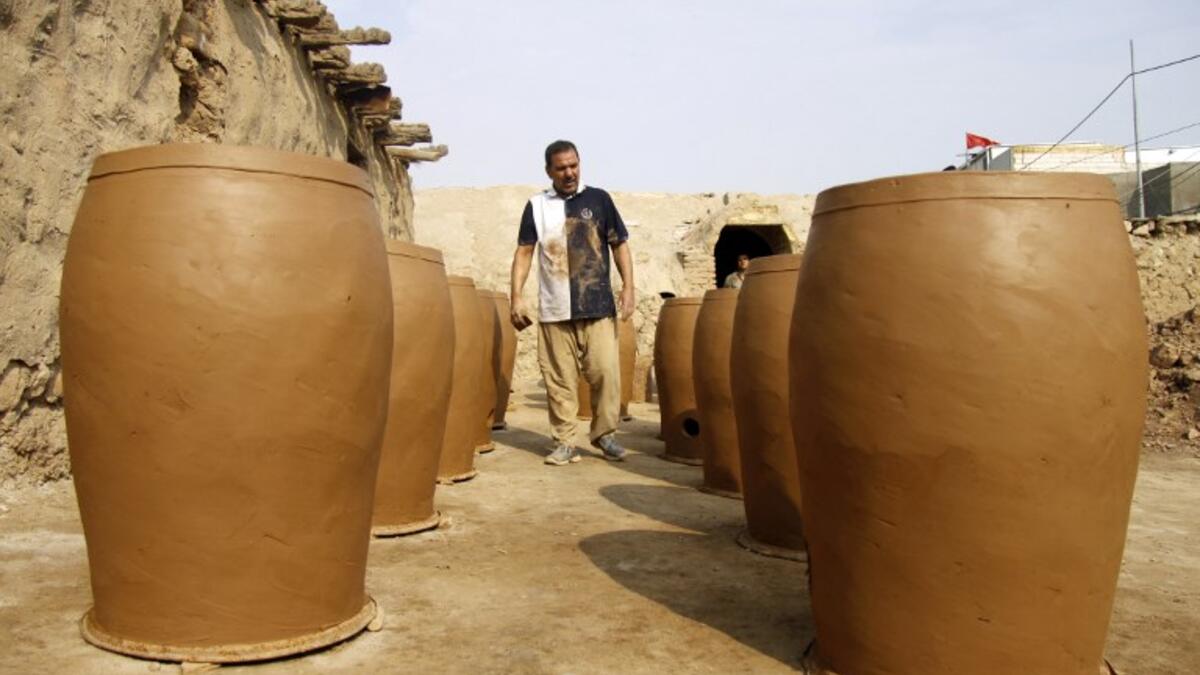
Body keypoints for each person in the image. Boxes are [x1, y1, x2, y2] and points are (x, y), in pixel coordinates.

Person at [510, 140, 636, 466]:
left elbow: (620, 245)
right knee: (558, 379)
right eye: (561, 167)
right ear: (549, 170)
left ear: (580, 163)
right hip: (554, 308)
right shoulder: (536, 206)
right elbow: (524, 252)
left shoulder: (600, 199)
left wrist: (629, 288)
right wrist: (516, 296)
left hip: (597, 304)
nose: (569, 172)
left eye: (574, 165)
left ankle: (604, 434)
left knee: (606, 372)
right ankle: (565, 441)